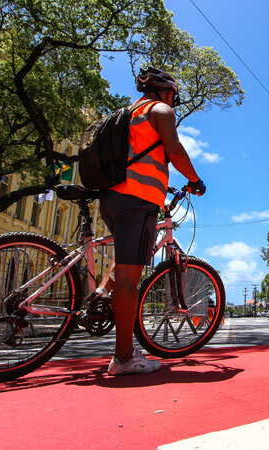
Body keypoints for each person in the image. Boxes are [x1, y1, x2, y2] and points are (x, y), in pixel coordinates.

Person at [96, 67, 206, 376]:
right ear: (167, 92)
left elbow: (143, 156)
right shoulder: (161, 110)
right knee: (131, 279)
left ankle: (99, 294)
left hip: (112, 198)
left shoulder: (130, 112)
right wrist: (195, 180)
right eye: (173, 96)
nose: (173, 100)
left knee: (123, 262)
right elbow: (174, 148)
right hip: (138, 200)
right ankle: (123, 358)